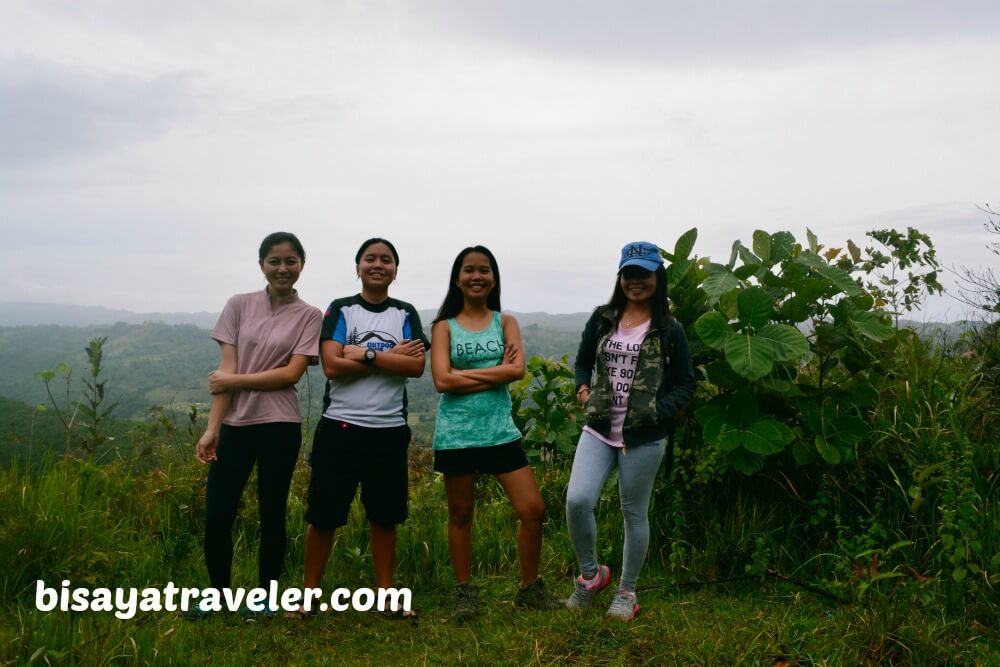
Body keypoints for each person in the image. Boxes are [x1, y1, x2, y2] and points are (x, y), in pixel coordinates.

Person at [193, 231, 323, 618]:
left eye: (290, 261)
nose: (283, 269)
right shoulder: (238, 305)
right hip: (235, 423)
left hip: (280, 424)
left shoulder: (311, 316)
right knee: (218, 514)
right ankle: (218, 596)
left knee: (272, 511)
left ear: (301, 264)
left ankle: (265, 597)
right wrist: (213, 427)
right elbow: (227, 369)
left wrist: (231, 382)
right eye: (274, 261)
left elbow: (290, 375)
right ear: (262, 265)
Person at [296, 238, 427, 619]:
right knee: (323, 513)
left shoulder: (405, 312)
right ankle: (308, 594)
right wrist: (389, 356)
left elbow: (416, 367)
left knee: (385, 515)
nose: (378, 265)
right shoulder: (341, 310)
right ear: (358, 267)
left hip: (389, 429)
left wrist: (363, 352)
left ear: (395, 270)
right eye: (370, 258)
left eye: (386, 260)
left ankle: (385, 594)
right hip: (340, 426)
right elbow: (332, 366)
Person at [430, 245, 562, 620]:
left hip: (500, 431)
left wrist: (463, 378)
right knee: (460, 513)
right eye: (469, 270)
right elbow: (441, 380)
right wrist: (494, 373)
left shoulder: (506, 322)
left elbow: (516, 371)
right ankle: (464, 592)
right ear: (457, 278)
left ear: (493, 277)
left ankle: (529, 588)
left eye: (484, 270)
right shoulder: (443, 326)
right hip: (457, 433)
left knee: (532, 509)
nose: (477, 276)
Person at [565, 241, 696, 620]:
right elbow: (582, 362)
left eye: (644, 274)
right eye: (629, 274)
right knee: (577, 501)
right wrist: (583, 389)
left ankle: (627, 592)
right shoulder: (603, 318)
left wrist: (658, 410)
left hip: (644, 435)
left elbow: (686, 382)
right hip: (600, 427)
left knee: (634, 512)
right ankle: (591, 577)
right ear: (620, 276)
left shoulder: (670, 329)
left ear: (658, 277)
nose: (636, 281)